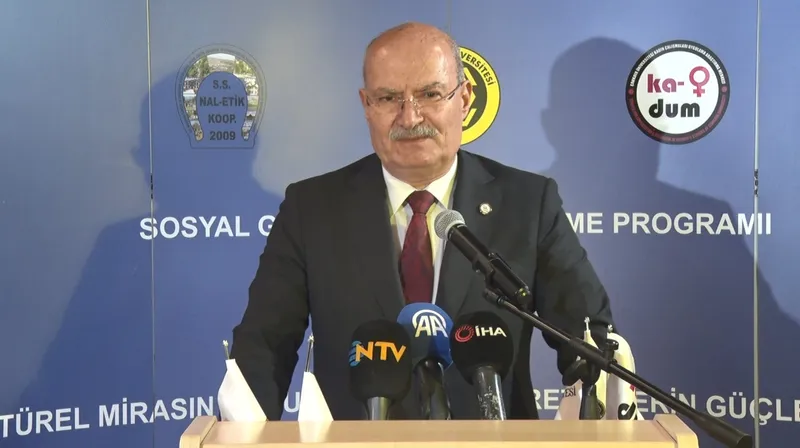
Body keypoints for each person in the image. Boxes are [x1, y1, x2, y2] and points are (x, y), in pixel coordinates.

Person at [230, 22, 614, 420]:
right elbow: (263, 348)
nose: (410, 117)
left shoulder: (528, 204)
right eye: (388, 98)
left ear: (464, 99)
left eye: (430, 94)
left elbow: (590, 339)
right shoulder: (311, 209)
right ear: (366, 105)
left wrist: (597, 425)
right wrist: (241, 432)